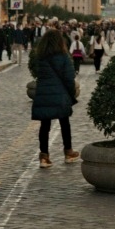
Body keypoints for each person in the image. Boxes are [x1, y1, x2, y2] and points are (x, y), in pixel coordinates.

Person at [31, 28, 79, 169]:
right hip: (60, 94)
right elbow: (69, 78)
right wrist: (71, 93)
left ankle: (44, 157)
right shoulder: (64, 57)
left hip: (44, 94)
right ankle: (68, 152)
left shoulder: (40, 57)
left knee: (44, 126)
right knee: (65, 123)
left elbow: (38, 74)